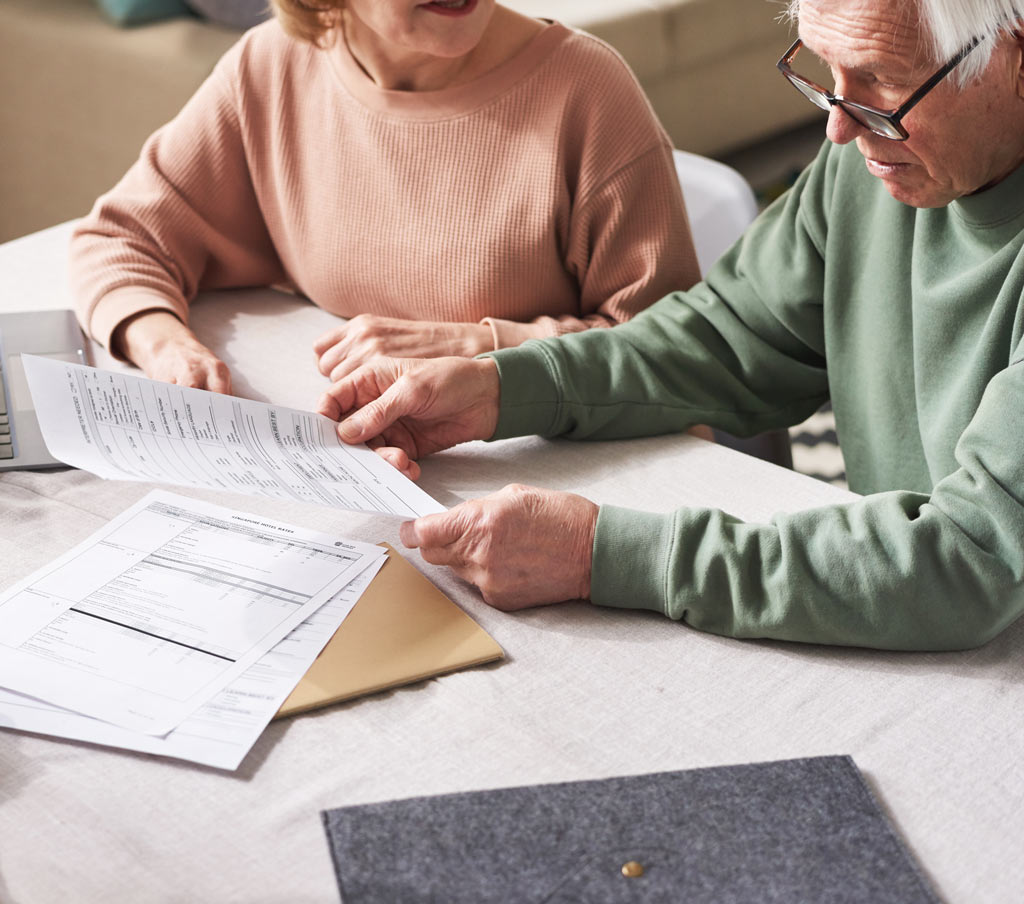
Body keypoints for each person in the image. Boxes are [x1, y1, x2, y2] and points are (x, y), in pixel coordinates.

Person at [318, 0, 1024, 651]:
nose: (838, 126)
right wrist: (500, 388)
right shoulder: (867, 163)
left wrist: (604, 554)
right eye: (825, 71)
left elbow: (968, 556)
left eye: (880, 79)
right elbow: (726, 340)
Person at [69, 0, 698, 393]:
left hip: (545, 479)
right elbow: (121, 239)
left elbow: (678, 359)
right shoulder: (274, 65)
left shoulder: (588, 91)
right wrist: (165, 345)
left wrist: (477, 348)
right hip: (357, 467)